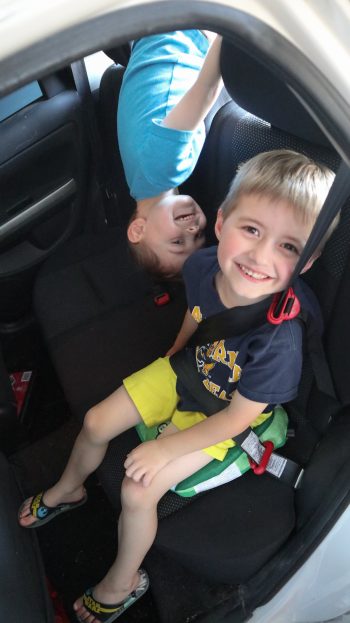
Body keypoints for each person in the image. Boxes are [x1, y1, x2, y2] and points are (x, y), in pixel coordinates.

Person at [18, 149, 338, 623]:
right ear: (224, 220)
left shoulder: (279, 339)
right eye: (251, 230)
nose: (260, 256)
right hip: (190, 369)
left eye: (289, 247)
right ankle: (70, 488)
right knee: (96, 421)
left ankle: (123, 581)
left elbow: (236, 418)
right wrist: (174, 352)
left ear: (308, 261)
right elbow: (198, 312)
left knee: (138, 489)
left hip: (231, 414)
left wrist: (167, 451)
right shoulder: (205, 266)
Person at [117, 30, 223, 276]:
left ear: (138, 230)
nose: (191, 231)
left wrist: (227, 33)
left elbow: (206, 89)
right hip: (157, 35)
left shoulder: (162, 171)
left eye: (177, 243)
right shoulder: (139, 180)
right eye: (199, 236)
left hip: (182, 33)